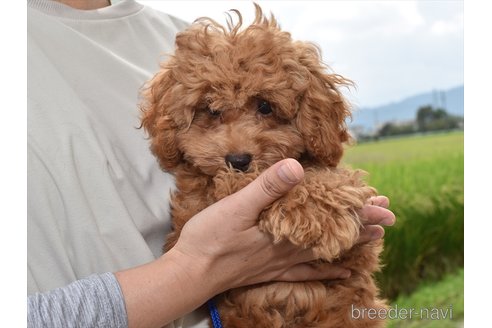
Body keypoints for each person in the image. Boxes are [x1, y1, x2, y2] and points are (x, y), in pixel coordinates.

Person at [27, 0, 396, 327]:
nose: (239, 146)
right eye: (213, 112)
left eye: (265, 108)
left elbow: (335, 227)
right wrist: (198, 271)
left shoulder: (170, 33)